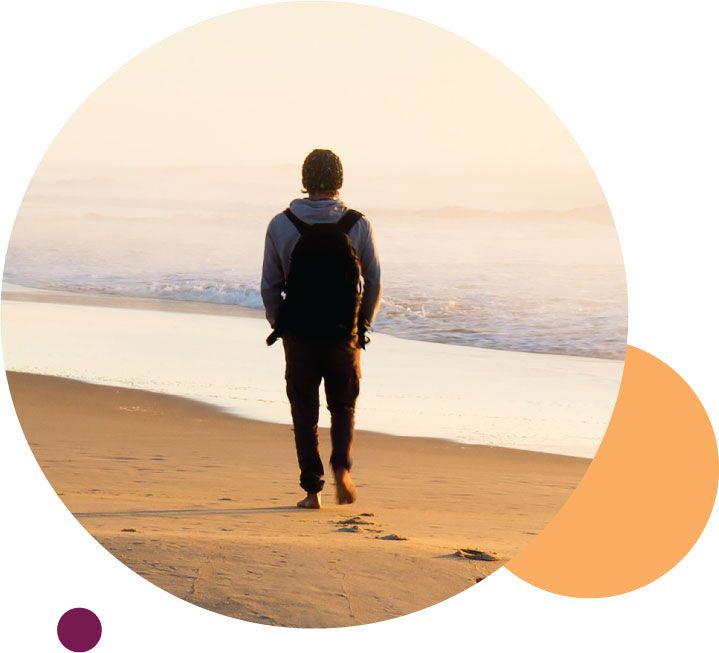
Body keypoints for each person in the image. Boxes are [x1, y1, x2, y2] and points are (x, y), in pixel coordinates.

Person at [261, 149, 382, 509]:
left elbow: (270, 285)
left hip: (299, 334)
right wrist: (362, 327)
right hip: (343, 332)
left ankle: (312, 490)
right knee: (343, 406)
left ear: (305, 180)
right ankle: (341, 468)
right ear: (339, 181)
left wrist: (279, 325)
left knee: (304, 409)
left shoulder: (281, 224)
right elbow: (373, 282)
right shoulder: (358, 225)